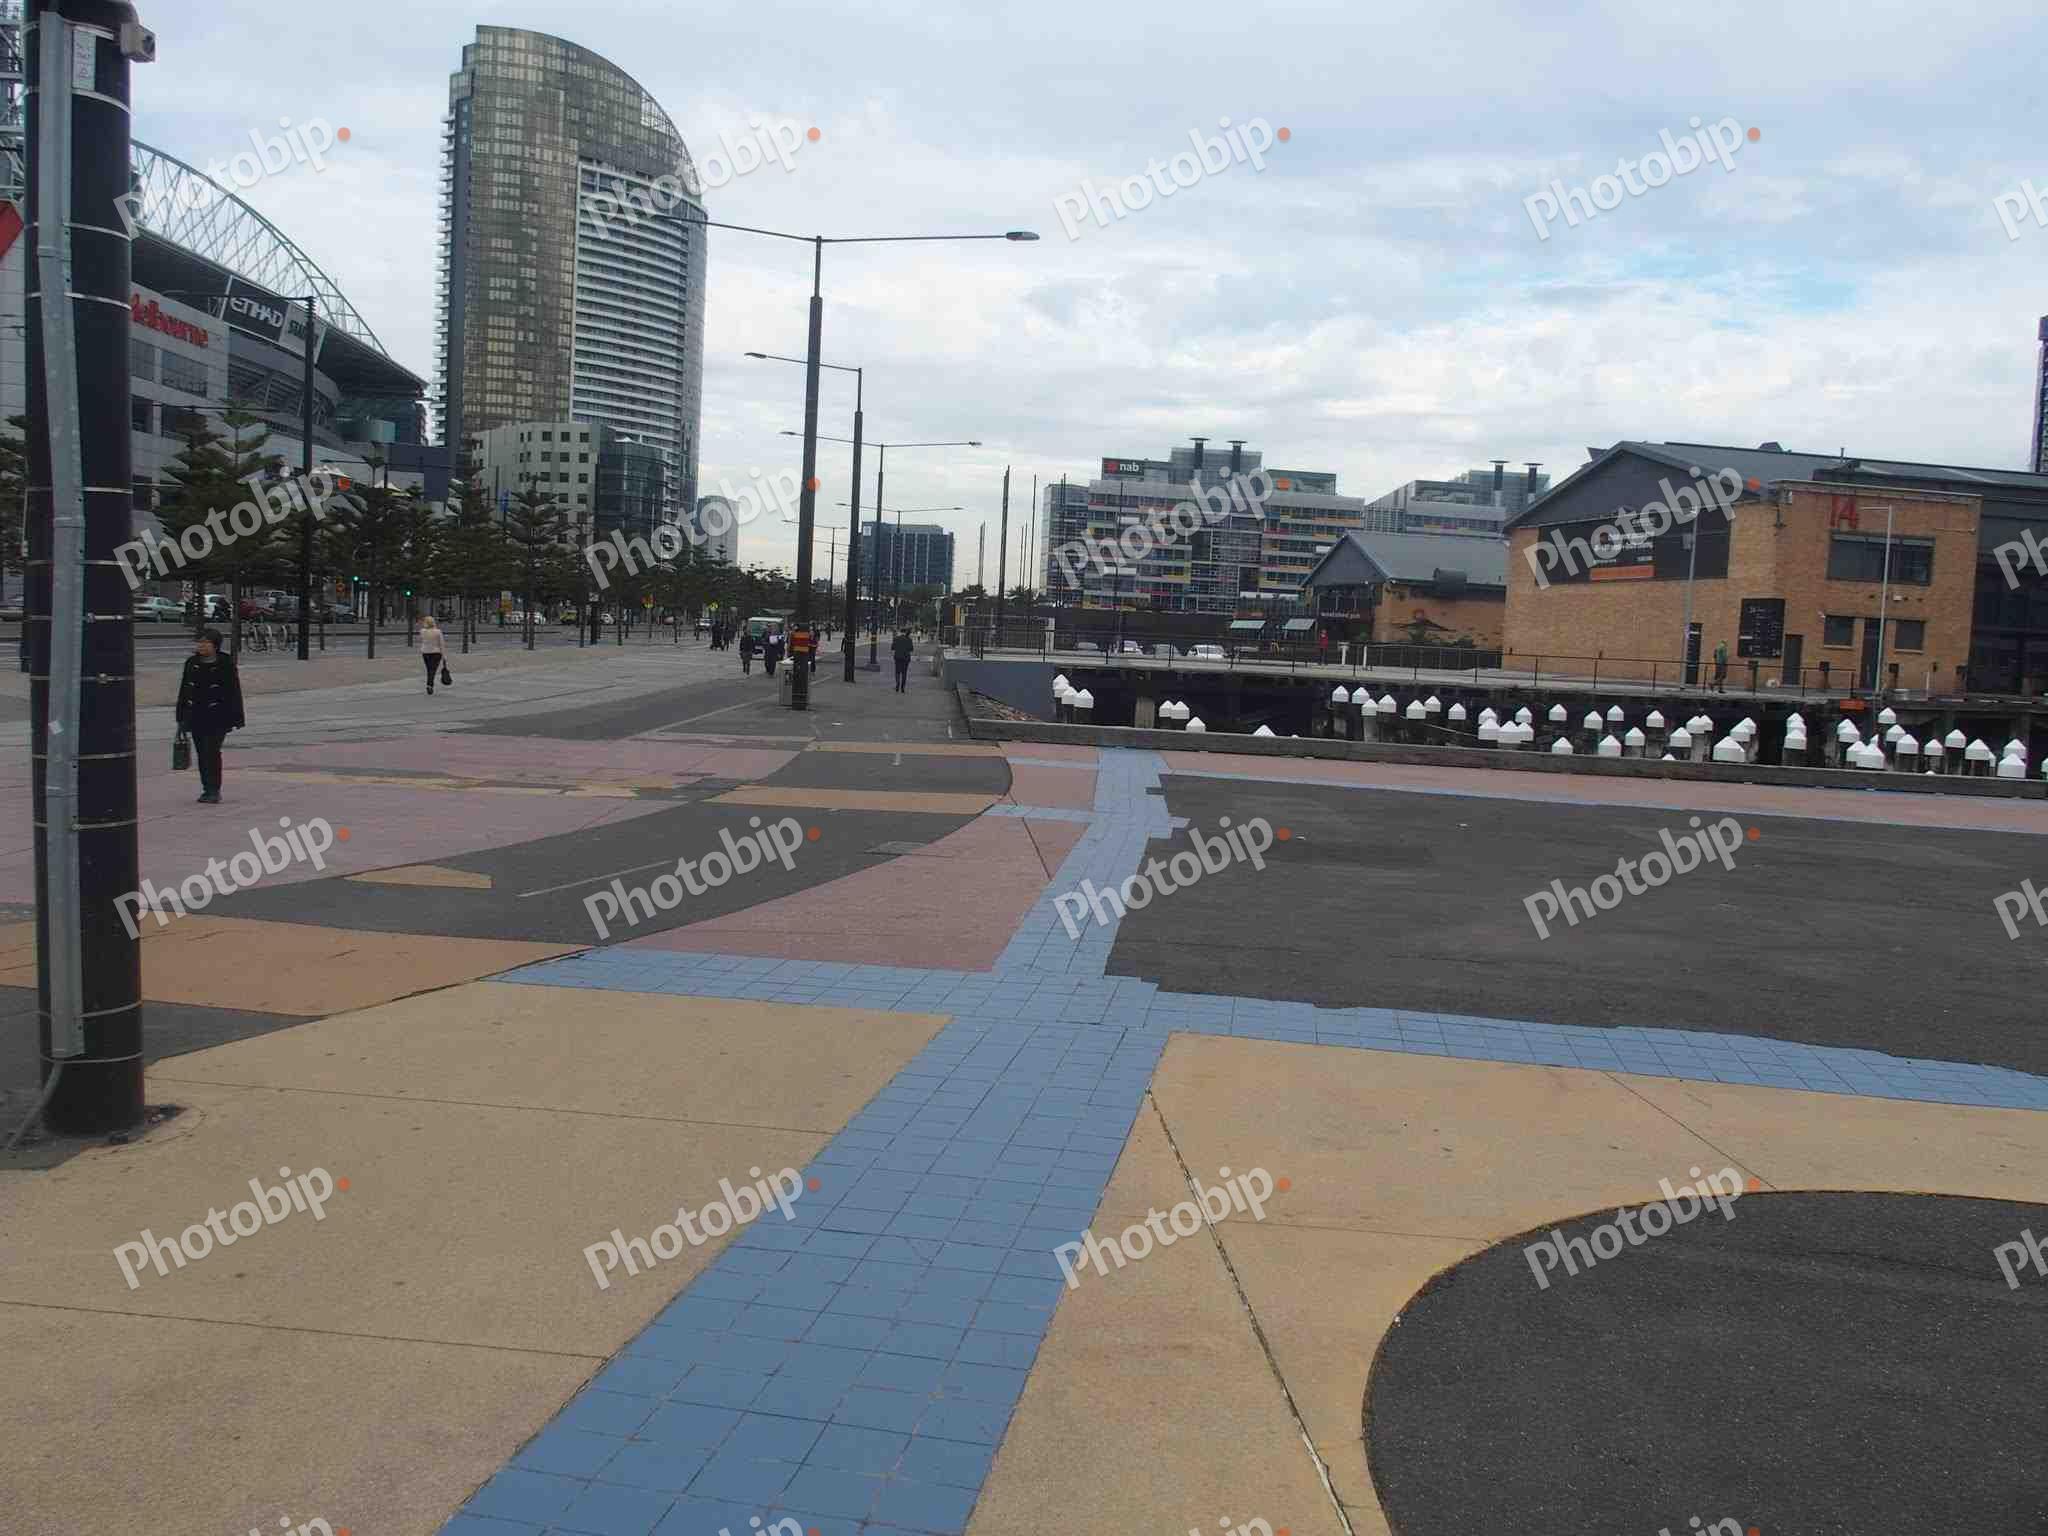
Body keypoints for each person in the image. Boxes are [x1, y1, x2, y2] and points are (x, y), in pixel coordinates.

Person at [176, 627, 244, 805]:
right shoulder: (191, 662)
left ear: (215, 645)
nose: (201, 646)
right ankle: (206, 788)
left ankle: (214, 790)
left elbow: (234, 691)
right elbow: (184, 690)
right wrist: (181, 717)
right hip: (196, 715)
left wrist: (236, 717)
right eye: (199, 642)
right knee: (201, 752)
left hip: (217, 716)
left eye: (206, 642)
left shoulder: (225, 663)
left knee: (212, 751)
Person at [419, 616, 446, 694]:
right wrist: (444, 655)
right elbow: (441, 644)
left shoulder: (422, 631)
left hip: (425, 653)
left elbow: (423, 640)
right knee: (433, 670)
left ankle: (429, 685)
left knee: (429, 669)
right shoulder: (438, 632)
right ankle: (430, 685)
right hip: (436, 653)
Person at [892, 627, 914, 692]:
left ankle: (897, 683)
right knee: (904, 672)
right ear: (905, 632)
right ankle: (902, 687)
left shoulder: (896, 638)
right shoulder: (909, 639)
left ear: (900, 632)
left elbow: (893, 648)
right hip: (906, 658)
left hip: (898, 657)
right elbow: (911, 649)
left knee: (897, 672)